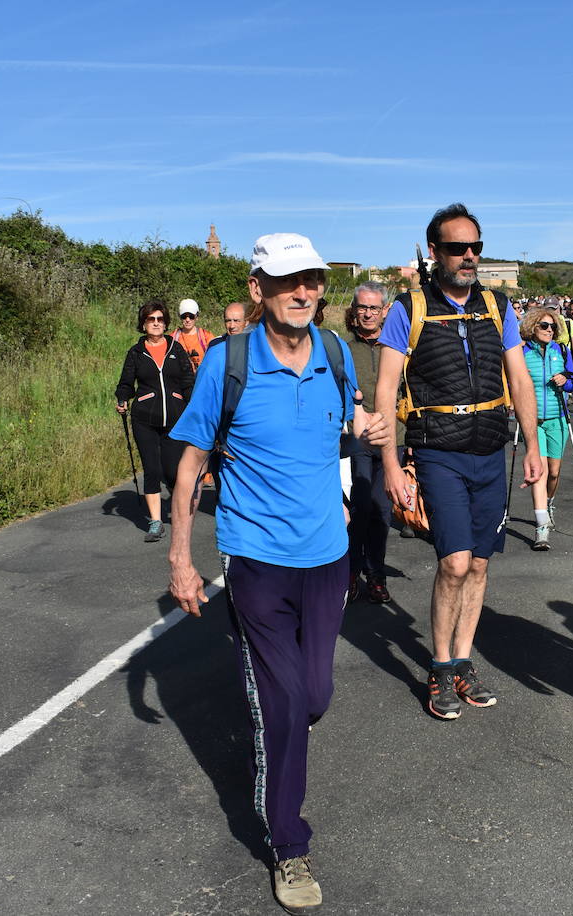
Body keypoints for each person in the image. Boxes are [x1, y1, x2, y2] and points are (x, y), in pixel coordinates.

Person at [167, 232, 389, 914]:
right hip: (255, 557)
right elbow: (191, 461)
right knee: (285, 704)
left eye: (314, 280)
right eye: (289, 280)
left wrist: (367, 430)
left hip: (328, 556)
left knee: (315, 696)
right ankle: (289, 847)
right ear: (257, 288)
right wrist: (180, 557)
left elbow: (342, 421)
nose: (304, 292)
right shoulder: (226, 364)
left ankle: (282, 726)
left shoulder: (333, 352)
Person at [375, 203, 543, 720]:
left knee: (481, 564)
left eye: (476, 247)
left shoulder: (497, 307)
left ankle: (464, 662)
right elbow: (384, 391)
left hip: (491, 449)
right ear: (434, 252)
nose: (469, 256)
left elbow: (518, 379)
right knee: (453, 562)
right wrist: (388, 464)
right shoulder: (409, 308)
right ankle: (441, 668)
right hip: (439, 452)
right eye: (457, 248)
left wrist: (533, 444)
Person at [115, 300, 194, 542]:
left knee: (171, 471)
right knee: (151, 469)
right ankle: (156, 522)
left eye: (160, 319)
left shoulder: (176, 349)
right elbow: (126, 382)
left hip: (174, 418)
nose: (156, 323)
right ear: (144, 324)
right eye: (151, 319)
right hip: (144, 419)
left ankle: (178, 506)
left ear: (166, 323)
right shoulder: (136, 353)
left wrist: (191, 405)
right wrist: (122, 398)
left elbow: (188, 379)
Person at [343, 281, 397, 603]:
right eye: (362, 307)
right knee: (360, 508)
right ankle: (351, 571)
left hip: (394, 438)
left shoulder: (397, 348)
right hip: (358, 440)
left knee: (382, 511)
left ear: (384, 311)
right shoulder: (345, 350)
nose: (367, 313)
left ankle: (375, 574)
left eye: (373, 308)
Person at [519, 307, 573, 550]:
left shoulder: (561, 350)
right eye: (544, 326)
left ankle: (549, 502)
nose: (549, 330)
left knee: (553, 472)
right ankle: (541, 527)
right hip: (533, 422)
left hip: (558, 418)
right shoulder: (522, 352)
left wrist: (566, 380)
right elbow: (513, 381)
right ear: (533, 327)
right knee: (539, 472)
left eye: (552, 326)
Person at [174, 299, 216, 373]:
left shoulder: (206, 337)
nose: (187, 320)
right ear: (180, 317)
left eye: (191, 316)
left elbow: (215, 360)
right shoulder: (173, 338)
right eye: (184, 316)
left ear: (197, 317)